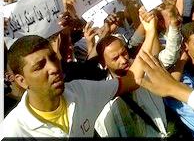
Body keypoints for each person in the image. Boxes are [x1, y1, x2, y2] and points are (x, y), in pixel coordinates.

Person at [0, 35, 142, 138]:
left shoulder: (81, 92)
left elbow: (132, 80)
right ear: (21, 80)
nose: (54, 68)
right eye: (39, 66)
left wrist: (149, 31)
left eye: (53, 58)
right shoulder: (13, 131)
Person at [94, 8, 168, 137]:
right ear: (104, 64)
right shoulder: (103, 98)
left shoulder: (144, 70)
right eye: (115, 58)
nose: (123, 60)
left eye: (124, 53)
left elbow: (156, 57)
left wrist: (151, 30)